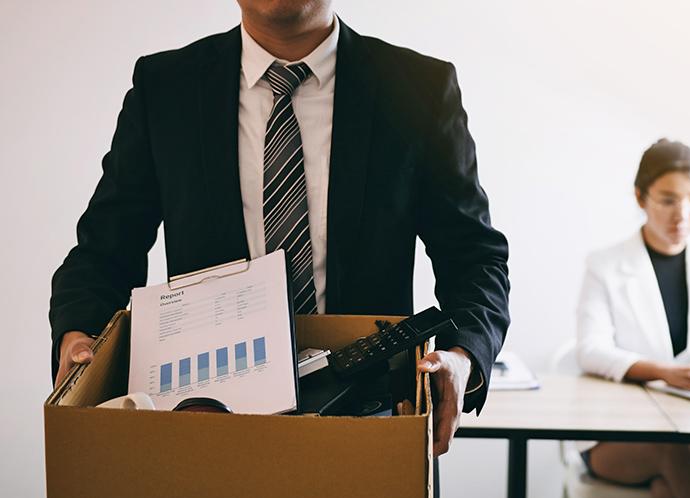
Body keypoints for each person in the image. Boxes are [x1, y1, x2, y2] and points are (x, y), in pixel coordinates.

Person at [49, 0, 510, 460]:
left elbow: (473, 256)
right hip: (204, 428)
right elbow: (103, 251)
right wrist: (79, 335)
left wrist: (462, 355)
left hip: (371, 423)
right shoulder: (166, 87)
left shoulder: (419, 88)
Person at [574, 139, 690, 498]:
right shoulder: (604, 265)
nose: (682, 215)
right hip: (617, 436)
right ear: (641, 198)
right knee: (674, 451)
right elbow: (590, 350)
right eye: (668, 200)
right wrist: (663, 372)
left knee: (669, 490)